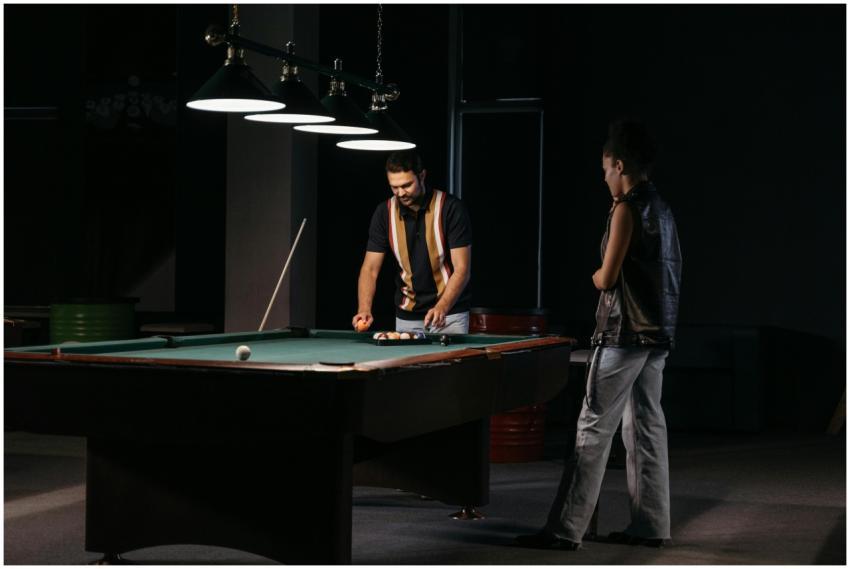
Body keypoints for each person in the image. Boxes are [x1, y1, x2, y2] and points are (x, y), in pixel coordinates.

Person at [516, 120, 682, 550]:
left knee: (591, 429)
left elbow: (607, 278)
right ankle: (651, 527)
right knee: (646, 429)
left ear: (620, 164)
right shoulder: (662, 208)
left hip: (623, 334)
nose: (604, 176)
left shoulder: (625, 208)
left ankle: (564, 531)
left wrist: (593, 275)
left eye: (606, 169)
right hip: (658, 335)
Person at [352, 150, 472, 334]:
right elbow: (370, 269)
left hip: (449, 316)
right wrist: (364, 309)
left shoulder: (451, 209)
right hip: (407, 316)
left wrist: (442, 307)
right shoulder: (384, 213)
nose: (400, 193)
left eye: (407, 185)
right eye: (394, 187)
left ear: (422, 176)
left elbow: (462, 269)